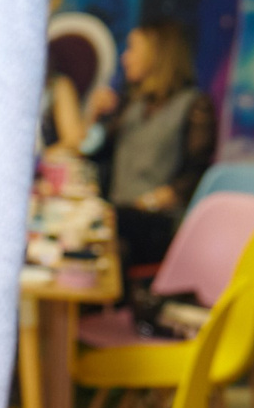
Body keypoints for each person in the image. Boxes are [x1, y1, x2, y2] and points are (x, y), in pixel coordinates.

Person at [89, 19, 212, 274]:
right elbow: (92, 152)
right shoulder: (130, 104)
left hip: (157, 223)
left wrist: (156, 200)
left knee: (106, 231)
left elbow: (195, 174)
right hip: (121, 215)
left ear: (157, 54)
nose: (126, 58)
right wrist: (96, 115)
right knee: (99, 226)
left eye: (133, 49)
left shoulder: (194, 106)